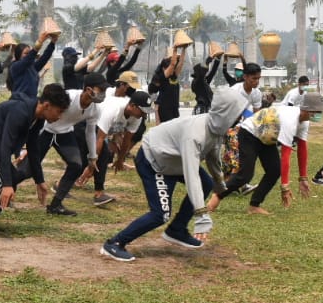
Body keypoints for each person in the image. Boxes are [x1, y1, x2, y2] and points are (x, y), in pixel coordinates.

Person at [100, 89, 249, 263]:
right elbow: (191, 173)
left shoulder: (215, 128)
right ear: (226, 113)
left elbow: (212, 156)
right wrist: (201, 214)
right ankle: (114, 243)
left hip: (172, 161)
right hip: (154, 161)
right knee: (160, 214)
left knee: (205, 183)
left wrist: (219, 183)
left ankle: (176, 230)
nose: (241, 118)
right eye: (238, 114)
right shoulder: (195, 134)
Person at [0, 84, 71, 236]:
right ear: (47, 105)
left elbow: (33, 149)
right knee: (2, 182)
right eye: (59, 112)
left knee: (11, 180)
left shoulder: (37, 118)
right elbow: (5, 147)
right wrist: (6, 184)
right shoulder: (20, 112)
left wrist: (39, 181)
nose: (59, 117)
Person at [210, 91, 323, 214]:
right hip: (250, 133)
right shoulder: (291, 120)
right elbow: (285, 155)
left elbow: (302, 148)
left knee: (274, 171)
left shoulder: (304, 122)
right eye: (317, 112)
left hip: (266, 137)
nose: (319, 115)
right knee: (245, 175)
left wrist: (303, 178)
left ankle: (254, 205)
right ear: (308, 110)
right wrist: (285, 187)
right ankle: (217, 196)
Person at [36, 72, 107, 217]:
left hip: (65, 134)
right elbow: (44, 111)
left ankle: (56, 205)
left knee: (76, 165)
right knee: (27, 169)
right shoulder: (68, 96)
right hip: (47, 131)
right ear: (88, 90)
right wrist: (30, 144)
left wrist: (92, 158)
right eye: (101, 90)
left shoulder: (94, 109)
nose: (104, 94)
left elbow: (90, 132)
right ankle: (5, 189)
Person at [89, 89, 152, 207]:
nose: (144, 115)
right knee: (94, 157)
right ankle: (69, 183)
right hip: (87, 122)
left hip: (101, 130)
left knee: (102, 156)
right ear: (132, 106)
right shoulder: (113, 109)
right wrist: (92, 162)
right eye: (143, 111)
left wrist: (120, 160)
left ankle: (98, 193)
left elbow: (126, 140)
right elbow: (100, 138)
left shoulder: (136, 117)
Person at [7, 32, 56, 98]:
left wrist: (53, 42)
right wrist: (39, 42)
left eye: (29, 53)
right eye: (26, 53)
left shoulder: (32, 67)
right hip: (19, 102)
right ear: (18, 54)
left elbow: (45, 57)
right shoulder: (15, 66)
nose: (28, 55)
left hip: (31, 102)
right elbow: (28, 59)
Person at [148, 48, 185, 123]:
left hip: (174, 109)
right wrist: (175, 48)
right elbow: (172, 64)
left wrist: (184, 48)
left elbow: (181, 62)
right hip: (165, 110)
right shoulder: (162, 77)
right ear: (164, 68)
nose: (172, 70)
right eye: (170, 69)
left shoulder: (174, 75)